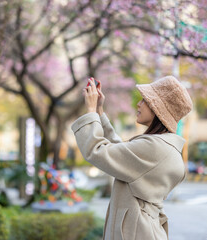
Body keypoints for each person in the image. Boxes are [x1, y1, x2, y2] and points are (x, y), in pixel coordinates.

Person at [71, 76, 193, 240]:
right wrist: (99, 112)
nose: (139, 104)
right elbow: (123, 156)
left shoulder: (155, 148)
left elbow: (98, 151)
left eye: (145, 100)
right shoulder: (163, 146)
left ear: (158, 109)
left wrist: (91, 111)